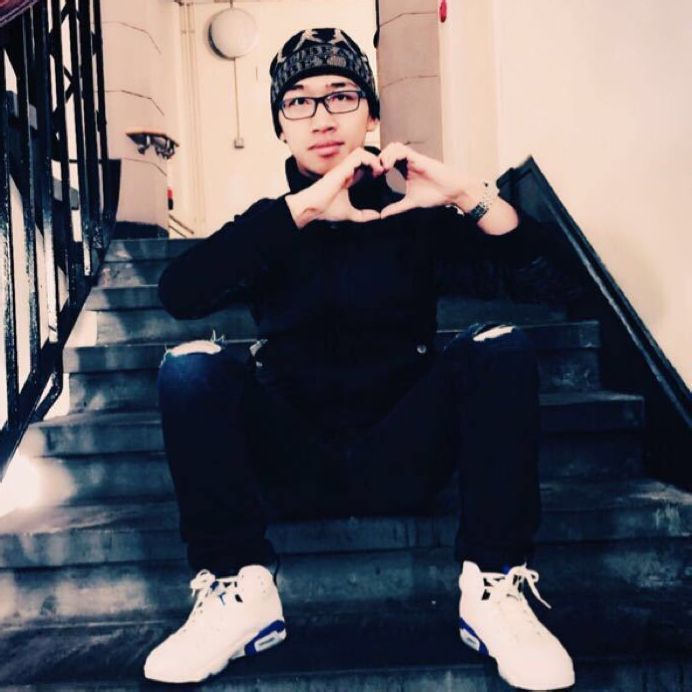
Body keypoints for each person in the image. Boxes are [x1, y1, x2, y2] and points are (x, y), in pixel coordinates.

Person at [143, 27, 575, 690]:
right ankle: (238, 587)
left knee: (500, 346)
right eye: (299, 102)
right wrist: (301, 211)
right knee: (191, 364)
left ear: (371, 115)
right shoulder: (270, 226)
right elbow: (180, 293)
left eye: (341, 95)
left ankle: (493, 587)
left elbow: (553, 282)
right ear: (280, 127)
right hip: (291, 461)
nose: (322, 117)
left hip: (405, 453)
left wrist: (465, 193)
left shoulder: (414, 216)